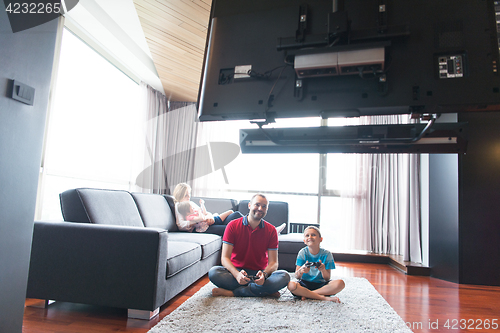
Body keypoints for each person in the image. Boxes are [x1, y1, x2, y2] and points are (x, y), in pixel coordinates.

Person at [208, 193, 290, 297]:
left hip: (260, 273)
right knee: (213, 272)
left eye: (264, 206)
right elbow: (224, 258)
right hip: (237, 271)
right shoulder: (232, 225)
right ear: (250, 205)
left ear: (267, 209)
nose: (260, 208)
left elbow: (274, 263)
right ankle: (263, 291)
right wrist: (237, 275)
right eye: (257, 205)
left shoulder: (271, 230)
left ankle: (234, 293)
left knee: (284, 276)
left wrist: (264, 275)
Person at [287, 226, 345, 302]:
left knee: (340, 283)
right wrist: (302, 270)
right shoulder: (302, 252)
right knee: (291, 285)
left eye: (313, 235)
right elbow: (297, 276)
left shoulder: (327, 254)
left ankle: (308, 295)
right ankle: (323, 297)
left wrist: (323, 270)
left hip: (321, 285)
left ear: (321, 239)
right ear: (304, 241)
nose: (310, 237)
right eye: (307, 235)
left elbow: (327, 278)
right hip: (305, 284)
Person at [172, 183, 243, 236]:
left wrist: (209, 217)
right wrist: (197, 220)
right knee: (232, 228)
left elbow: (205, 212)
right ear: (180, 195)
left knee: (236, 215)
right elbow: (180, 225)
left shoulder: (191, 203)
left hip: (209, 222)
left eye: (189, 194)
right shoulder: (179, 205)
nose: (189, 196)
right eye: (186, 195)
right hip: (200, 228)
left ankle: (253, 226)